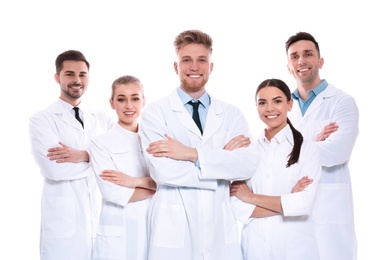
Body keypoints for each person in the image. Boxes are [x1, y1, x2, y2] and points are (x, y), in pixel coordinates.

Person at [138, 29, 260, 260]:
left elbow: (247, 166)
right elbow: (163, 172)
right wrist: (221, 161)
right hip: (173, 228)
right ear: (176, 67)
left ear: (210, 67)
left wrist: (190, 154)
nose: (194, 67)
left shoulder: (232, 114)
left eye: (201, 60)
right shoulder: (156, 113)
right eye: (187, 60)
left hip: (219, 227)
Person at [29, 50, 115, 260]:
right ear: (57, 77)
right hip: (63, 227)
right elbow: (55, 169)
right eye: (69, 74)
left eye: (82, 74)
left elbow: (124, 158)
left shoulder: (102, 118)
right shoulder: (42, 120)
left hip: (99, 220)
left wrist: (84, 155)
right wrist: (100, 160)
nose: (77, 80)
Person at [285, 31, 359, 260]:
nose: (301, 61)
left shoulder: (342, 102)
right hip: (291, 213)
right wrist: (312, 142)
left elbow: (336, 152)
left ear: (320, 61)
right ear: (288, 66)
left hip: (330, 214)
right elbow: (268, 157)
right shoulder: (280, 106)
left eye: (308, 54)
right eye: (294, 56)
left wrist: (292, 146)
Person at [230, 78, 322, 260]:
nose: (270, 108)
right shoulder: (248, 150)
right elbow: (234, 206)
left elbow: (304, 203)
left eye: (277, 101)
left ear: (290, 104)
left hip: (295, 250)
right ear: (256, 107)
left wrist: (250, 198)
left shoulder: (307, 149)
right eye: (262, 103)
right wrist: (287, 201)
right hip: (255, 249)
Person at [89, 75, 156, 259]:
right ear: (112, 103)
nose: (129, 105)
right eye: (121, 99)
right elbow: (113, 193)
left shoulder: (156, 141)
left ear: (144, 101)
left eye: (135, 98)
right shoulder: (100, 143)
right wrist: (159, 187)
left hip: (153, 228)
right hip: (118, 234)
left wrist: (134, 181)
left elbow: (173, 178)